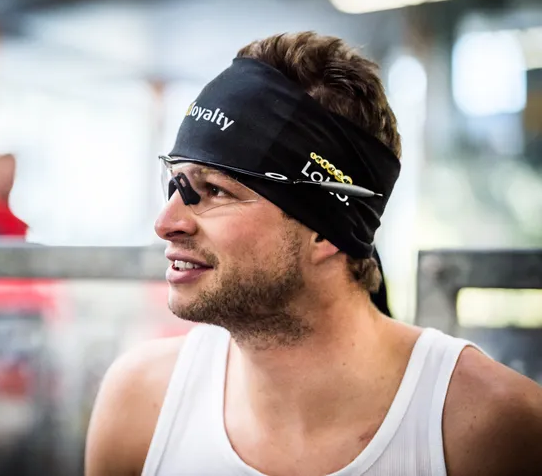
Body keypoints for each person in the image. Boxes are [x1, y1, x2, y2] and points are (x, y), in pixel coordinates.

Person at [85, 32, 542, 476]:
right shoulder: (141, 402)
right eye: (176, 183)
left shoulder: (492, 428)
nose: (166, 222)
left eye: (214, 190)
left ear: (325, 230)